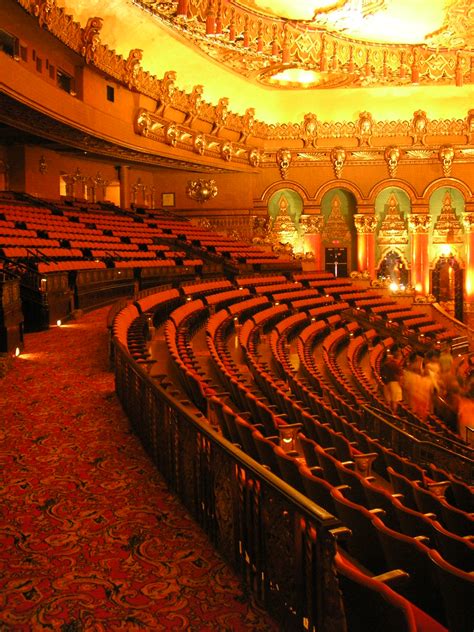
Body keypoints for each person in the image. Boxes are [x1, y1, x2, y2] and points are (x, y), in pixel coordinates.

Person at [380, 345, 404, 414]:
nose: (400, 353)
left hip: (387, 384)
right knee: (395, 403)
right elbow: (399, 376)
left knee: (390, 403)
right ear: (396, 352)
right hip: (394, 385)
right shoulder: (393, 364)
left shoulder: (388, 362)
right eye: (399, 351)